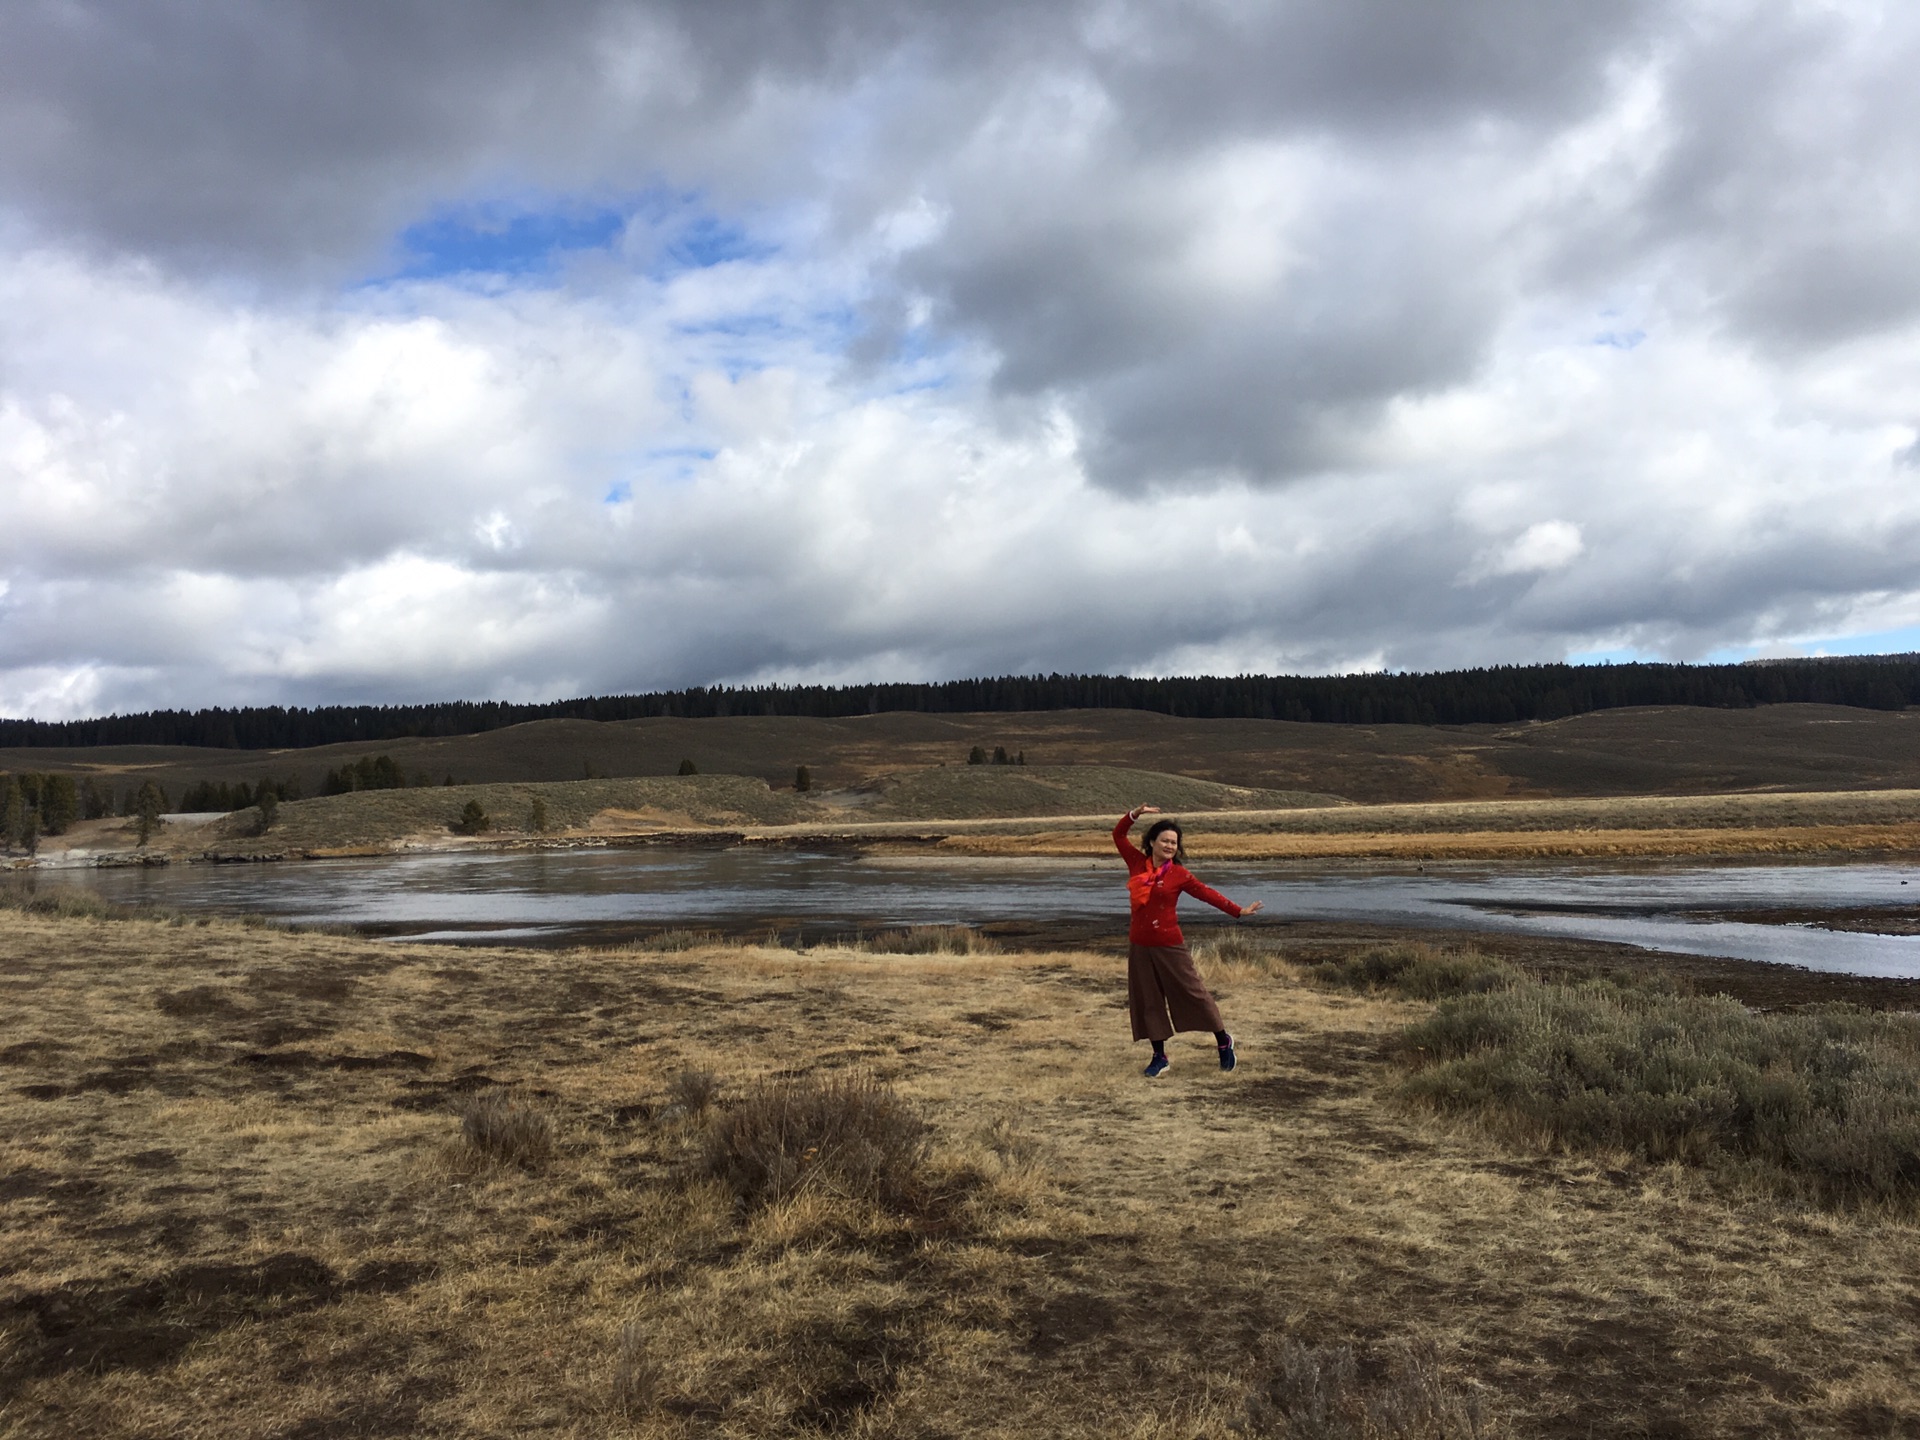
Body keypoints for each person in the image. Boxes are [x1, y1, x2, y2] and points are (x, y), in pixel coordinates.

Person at [1114, 804, 1263, 1077]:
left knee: (1194, 993)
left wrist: (1237, 911)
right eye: (1165, 841)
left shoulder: (1178, 875)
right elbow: (1119, 836)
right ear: (1152, 842)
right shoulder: (1136, 863)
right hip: (1140, 946)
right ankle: (1159, 1056)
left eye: (1174, 842)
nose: (1170, 845)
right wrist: (1134, 814)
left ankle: (1222, 1041)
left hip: (1170, 944)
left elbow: (1207, 893)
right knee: (1148, 1000)